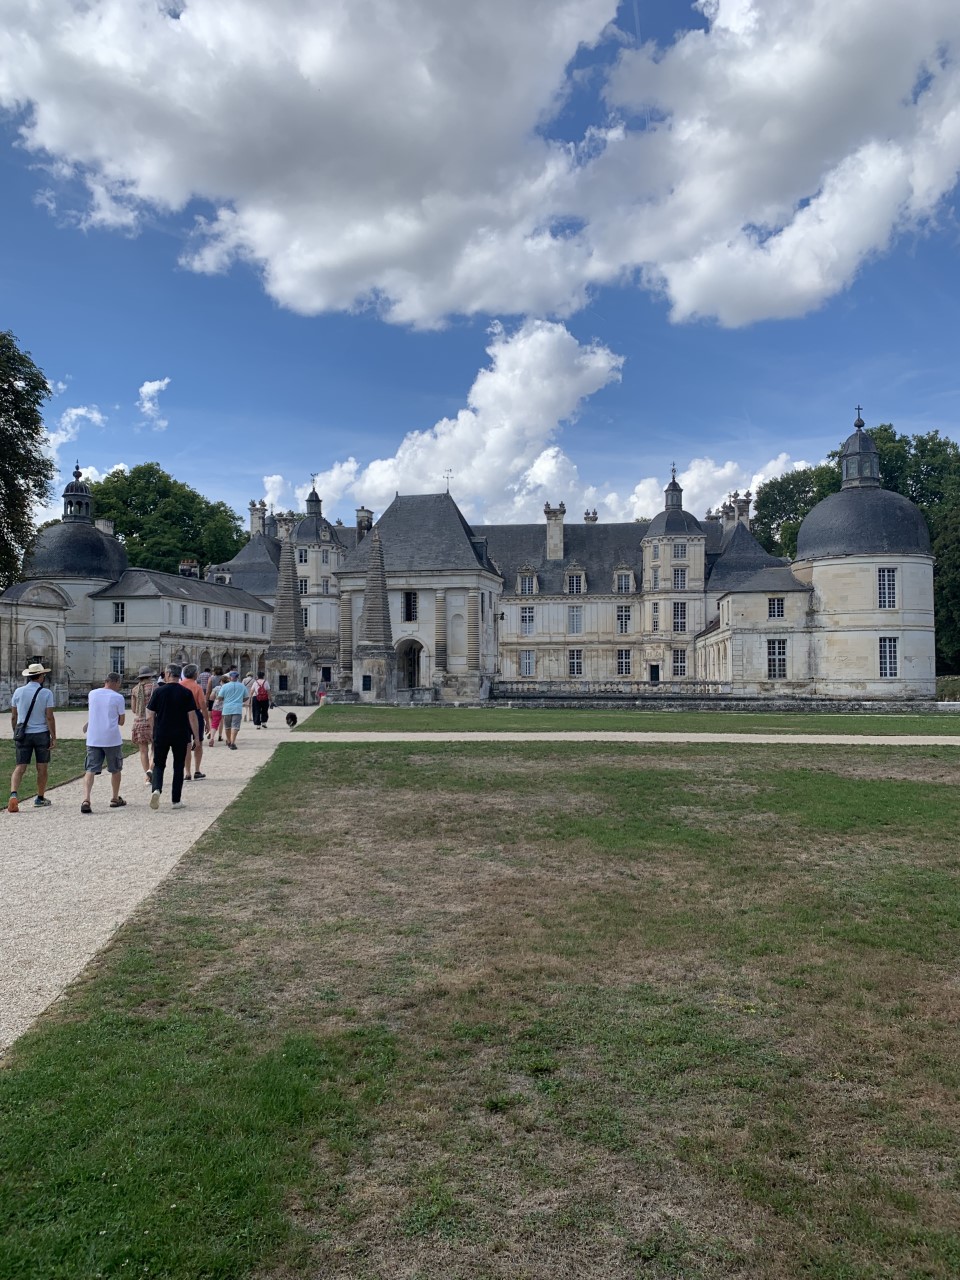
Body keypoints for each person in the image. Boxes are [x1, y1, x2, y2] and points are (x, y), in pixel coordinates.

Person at [147, 663, 201, 810]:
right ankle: (176, 800)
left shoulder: (158, 692)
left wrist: (152, 731)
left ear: (168, 674)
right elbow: (192, 716)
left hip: (162, 732)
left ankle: (156, 789)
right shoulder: (186, 692)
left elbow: (150, 714)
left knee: (159, 764)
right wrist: (196, 737)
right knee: (178, 766)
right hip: (181, 733)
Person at [8, 662, 57, 813]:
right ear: (41, 676)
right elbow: (49, 717)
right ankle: (40, 798)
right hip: (41, 733)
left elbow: (14, 716)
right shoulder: (46, 693)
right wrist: (53, 736)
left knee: (20, 766)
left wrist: (16, 732)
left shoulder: (18, 692)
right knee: (42, 767)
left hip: (23, 733)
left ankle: (13, 794)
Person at [80, 672, 126, 813]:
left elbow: (95, 713)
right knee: (115, 769)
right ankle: (114, 798)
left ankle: (86, 799)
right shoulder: (118, 697)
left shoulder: (92, 694)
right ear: (116, 682)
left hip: (94, 737)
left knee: (90, 769)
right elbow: (122, 721)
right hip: (111, 738)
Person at [180, 663, 210, 781]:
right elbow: (203, 706)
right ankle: (197, 770)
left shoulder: (180, 685)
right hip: (196, 714)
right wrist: (207, 721)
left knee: (186, 744)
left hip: (182, 715)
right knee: (198, 743)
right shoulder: (197, 687)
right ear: (195, 674)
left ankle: (187, 772)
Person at [130, 665, 157, 785]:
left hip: (139, 722)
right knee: (155, 749)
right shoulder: (155, 687)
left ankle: (147, 776)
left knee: (143, 751)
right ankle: (151, 769)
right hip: (153, 721)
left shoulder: (135, 689)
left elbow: (133, 709)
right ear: (150, 676)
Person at [213, 670, 249, 750]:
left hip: (227, 708)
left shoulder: (225, 686)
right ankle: (233, 742)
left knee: (227, 727)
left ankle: (229, 741)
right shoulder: (242, 686)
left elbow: (220, 697)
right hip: (237, 708)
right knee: (235, 726)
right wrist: (240, 700)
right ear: (237, 677)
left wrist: (224, 699)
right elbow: (246, 697)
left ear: (229, 678)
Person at [207, 666, 225, 744]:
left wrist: (207, 700)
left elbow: (208, 690)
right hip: (222, 701)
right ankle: (220, 735)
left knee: (211, 717)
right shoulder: (224, 678)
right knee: (221, 719)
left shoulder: (211, 678)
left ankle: (211, 732)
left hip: (212, 699)